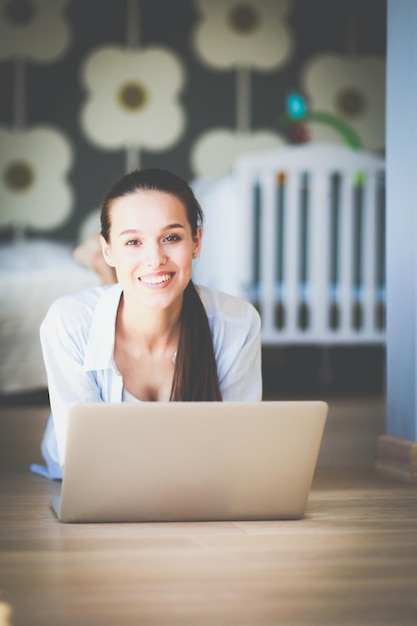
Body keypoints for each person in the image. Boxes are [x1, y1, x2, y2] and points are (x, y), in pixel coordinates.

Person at [31, 168, 262, 480]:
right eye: (133, 242)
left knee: (147, 282)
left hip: (182, 480)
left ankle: (108, 268)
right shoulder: (69, 323)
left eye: (171, 238)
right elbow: (84, 463)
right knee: (143, 284)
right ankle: (103, 269)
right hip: (98, 476)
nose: (155, 257)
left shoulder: (237, 322)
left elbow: (239, 450)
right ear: (108, 248)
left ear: (196, 241)